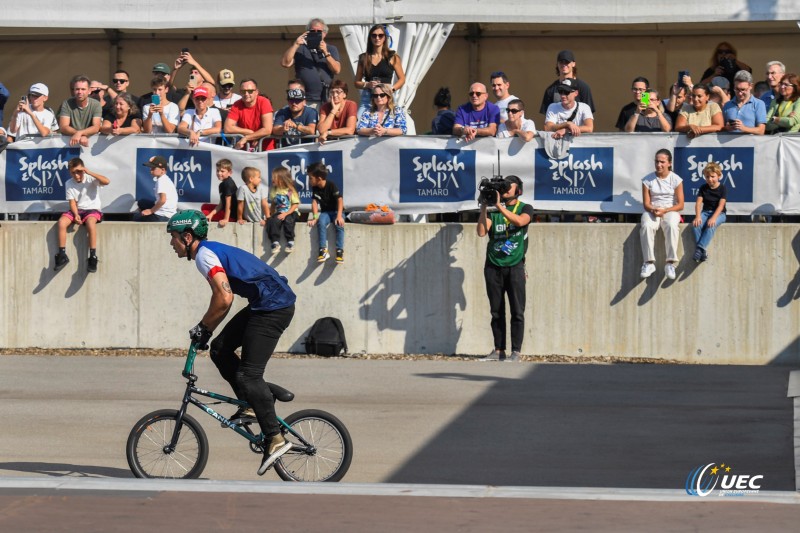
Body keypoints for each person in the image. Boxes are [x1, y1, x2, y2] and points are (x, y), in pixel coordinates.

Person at [166, 210, 296, 476]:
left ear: (187, 236)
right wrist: (207, 333)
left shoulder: (203, 254)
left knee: (249, 375)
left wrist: (203, 328)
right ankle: (250, 403)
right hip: (265, 304)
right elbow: (225, 298)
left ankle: (274, 437)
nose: (172, 243)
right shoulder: (207, 251)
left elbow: (224, 298)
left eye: (174, 238)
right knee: (220, 349)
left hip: (274, 307)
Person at [476, 175, 533, 362]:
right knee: (496, 311)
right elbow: (482, 232)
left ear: (519, 189)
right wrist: (485, 206)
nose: (506, 189)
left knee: (517, 310)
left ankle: (516, 351)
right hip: (493, 266)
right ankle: (498, 349)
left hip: (515, 266)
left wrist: (500, 206)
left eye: (510, 185)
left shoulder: (525, 208)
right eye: (504, 186)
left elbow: (519, 222)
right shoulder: (493, 211)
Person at [54, 157, 110, 273]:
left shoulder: (91, 179)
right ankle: (62, 254)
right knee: (61, 222)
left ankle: (93, 256)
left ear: (83, 170)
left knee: (90, 223)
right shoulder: (69, 183)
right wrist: (75, 215)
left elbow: (106, 181)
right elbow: (72, 202)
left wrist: (89, 172)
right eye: (73, 172)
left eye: (79, 171)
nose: (76, 175)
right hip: (78, 210)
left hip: (92, 210)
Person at [640, 149, 684, 280]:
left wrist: (665, 210)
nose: (659, 165)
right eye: (657, 161)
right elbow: (646, 204)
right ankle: (648, 263)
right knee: (647, 225)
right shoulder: (647, 180)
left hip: (670, 210)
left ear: (669, 163)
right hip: (653, 210)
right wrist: (654, 209)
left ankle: (670, 263)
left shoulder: (676, 179)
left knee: (671, 224)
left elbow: (680, 205)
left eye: (662, 162)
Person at [280, 18, 342, 109]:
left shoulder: (331, 49)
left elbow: (337, 70)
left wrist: (325, 52)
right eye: (313, 31)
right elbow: (285, 63)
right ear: (307, 32)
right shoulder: (300, 48)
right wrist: (295, 45)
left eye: (319, 31)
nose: (316, 33)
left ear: (324, 33)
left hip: (325, 98)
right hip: (305, 99)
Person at [353, 24, 406, 118]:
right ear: (370, 38)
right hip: (368, 95)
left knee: (389, 123)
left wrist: (391, 89)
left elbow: (402, 79)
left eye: (380, 35)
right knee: (359, 123)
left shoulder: (392, 57)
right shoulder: (364, 58)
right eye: (374, 35)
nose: (377, 38)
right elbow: (356, 82)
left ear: (385, 38)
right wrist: (367, 84)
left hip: (386, 95)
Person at [306, 161, 344, 264]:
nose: (309, 180)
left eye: (310, 178)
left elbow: (340, 200)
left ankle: (339, 251)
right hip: (325, 213)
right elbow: (314, 202)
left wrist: (339, 216)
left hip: (337, 211)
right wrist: (315, 217)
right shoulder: (315, 188)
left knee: (339, 224)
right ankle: (323, 250)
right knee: (321, 222)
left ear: (319, 178)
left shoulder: (331, 185)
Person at [539, 50, 596, 117]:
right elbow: (547, 118)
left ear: (573, 64)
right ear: (557, 64)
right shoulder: (550, 90)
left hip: (578, 127)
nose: (564, 65)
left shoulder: (583, 88)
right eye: (561, 62)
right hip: (558, 126)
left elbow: (589, 115)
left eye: (567, 62)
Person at [224, 78, 274, 151]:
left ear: (257, 92)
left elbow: (267, 129)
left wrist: (247, 137)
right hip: (246, 151)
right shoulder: (237, 104)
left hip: (265, 150)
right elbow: (227, 128)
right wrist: (248, 132)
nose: (246, 94)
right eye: (243, 91)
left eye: (250, 91)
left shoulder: (264, 102)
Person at [692, 162, 727, 263]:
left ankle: (699, 249)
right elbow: (698, 203)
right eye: (707, 177)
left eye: (713, 176)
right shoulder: (703, 187)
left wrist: (714, 218)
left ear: (719, 176)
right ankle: (702, 252)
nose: (710, 179)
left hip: (719, 214)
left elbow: (721, 205)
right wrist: (698, 216)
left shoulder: (723, 188)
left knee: (711, 225)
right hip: (706, 212)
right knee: (695, 225)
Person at [58, 75, 102, 147]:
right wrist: (79, 134)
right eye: (77, 89)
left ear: (89, 91)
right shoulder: (66, 103)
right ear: (74, 90)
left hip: (90, 144)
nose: (80, 92)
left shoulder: (96, 104)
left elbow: (96, 127)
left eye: (83, 89)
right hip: (69, 144)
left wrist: (79, 133)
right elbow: (63, 126)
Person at [267, 167, 300, 254]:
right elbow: (273, 204)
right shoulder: (274, 190)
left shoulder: (290, 190)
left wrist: (286, 213)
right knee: (273, 221)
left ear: (281, 179)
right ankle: (275, 242)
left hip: (291, 212)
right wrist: (271, 215)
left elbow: (295, 204)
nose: (272, 179)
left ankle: (290, 241)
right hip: (280, 212)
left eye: (274, 178)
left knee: (288, 221)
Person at [134, 156, 178, 222]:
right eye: (151, 167)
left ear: (162, 170)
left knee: (136, 217)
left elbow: (163, 200)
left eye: (153, 168)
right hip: (168, 213)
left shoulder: (161, 181)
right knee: (142, 202)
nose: (151, 170)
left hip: (163, 216)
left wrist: (151, 211)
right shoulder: (164, 178)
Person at [722, 70, 767, 135]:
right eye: (737, 89)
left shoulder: (759, 104)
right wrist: (727, 128)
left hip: (751, 144)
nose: (740, 93)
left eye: (743, 89)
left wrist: (743, 128)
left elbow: (761, 130)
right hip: (729, 144)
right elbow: (721, 128)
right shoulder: (727, 105)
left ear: (751, 86)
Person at [317, 79, 357, 144]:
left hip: (347, 143)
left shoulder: (351, 105)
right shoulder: (325, 107)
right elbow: (322, 130)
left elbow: (350, 130)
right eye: (332, 92)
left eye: (338, 92)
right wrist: (333, 111)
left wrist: (328, 132)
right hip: (329, 144)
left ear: (344, 94)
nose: (335, 95)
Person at [206, 159, 237, 226]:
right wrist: (211, 214)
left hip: (232, 215)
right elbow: (221, 204)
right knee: (205, 207)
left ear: (230, 173)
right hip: (227, 211)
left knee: (205, 210)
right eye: (218, 170)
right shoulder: (222, 184)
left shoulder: (228, 184)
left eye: (222, 171)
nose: (219, 173)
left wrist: (226, 219)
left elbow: (228, 204)